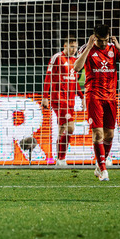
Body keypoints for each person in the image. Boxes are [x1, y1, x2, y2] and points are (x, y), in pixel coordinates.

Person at [72, 25, 120, 182]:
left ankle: (100, 164)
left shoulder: (113, 48)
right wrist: (89, 46)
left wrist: (118, 47)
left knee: (110, 134)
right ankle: (104, 170)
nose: (103, 44)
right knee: (98, 133)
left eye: (105, 40)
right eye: (100, 41)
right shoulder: (87, 48)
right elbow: (77, 67)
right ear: (94, 37)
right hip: (94, 96)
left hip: (111, 97)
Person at [42, 37, 79, 165]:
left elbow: (75, 81)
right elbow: (48, 76)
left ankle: (59, 159)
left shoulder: (76, 60)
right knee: (70, 127)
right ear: (65, 45)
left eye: (76, 47)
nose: (74, 50)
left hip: (70, 101)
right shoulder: (57, 57)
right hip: (58, 98)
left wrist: (82, 96)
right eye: (71, 46)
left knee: (63, 129)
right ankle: (61, 158)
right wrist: (45, 97)